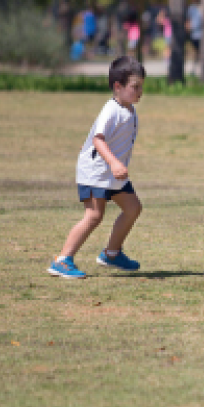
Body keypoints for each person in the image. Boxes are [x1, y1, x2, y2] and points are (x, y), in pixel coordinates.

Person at [48, 56, 146, 279]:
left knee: (133, 208)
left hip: (112, 173)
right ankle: (62, 260)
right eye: (135, 87)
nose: (140, 91)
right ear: (117, 87)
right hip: (96, 172)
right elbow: (98, 139)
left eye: (142, 86)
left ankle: (111, 253)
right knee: (94, 216)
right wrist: (113, 162)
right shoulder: (111, 110)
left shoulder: (129, 109)